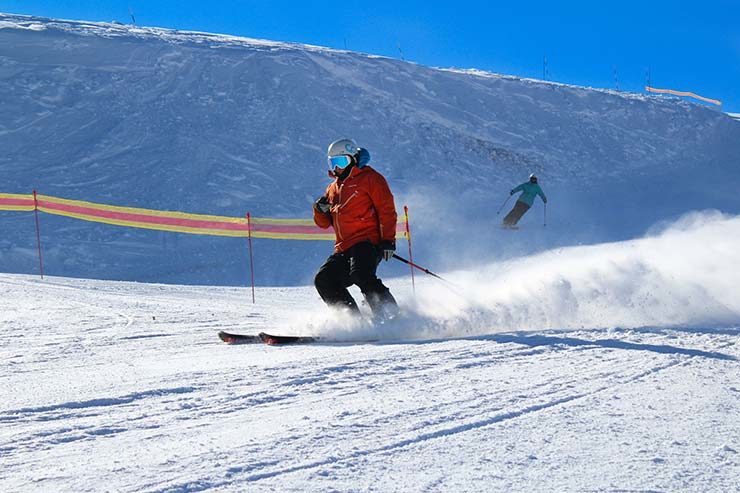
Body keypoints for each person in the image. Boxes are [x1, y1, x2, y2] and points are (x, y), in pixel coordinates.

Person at [313, 138, 399, 319]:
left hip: (367, 242)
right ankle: (352, 321)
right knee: (324, 280)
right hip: (344, 247)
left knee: (361, 274)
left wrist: (388, 241)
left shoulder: (370, 179)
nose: (336, 167)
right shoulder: (333, 188)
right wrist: (319, 211)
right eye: (333, 162)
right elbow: (324, 223)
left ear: (352, 159)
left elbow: (387, 210)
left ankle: (391, 316)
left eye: (340, 162)